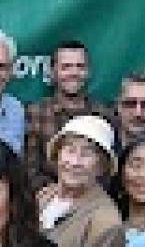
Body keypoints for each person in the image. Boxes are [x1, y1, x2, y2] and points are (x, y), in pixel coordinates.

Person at [35, 115, 124, 247]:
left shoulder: (106, 222)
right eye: (70, 150)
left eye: (87, 154)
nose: (75, 162)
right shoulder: (44, 195)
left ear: (101, 166)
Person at [25, 39, 113, 178]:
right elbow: (30, 169)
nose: (74, 73)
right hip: (47, 196)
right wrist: (54, 192)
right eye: (66, 67)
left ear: (88, 71)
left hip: (93, 195)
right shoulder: (35, 112)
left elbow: (107, 169)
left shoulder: (104, 114)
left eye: (80, 66)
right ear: (53, 72)